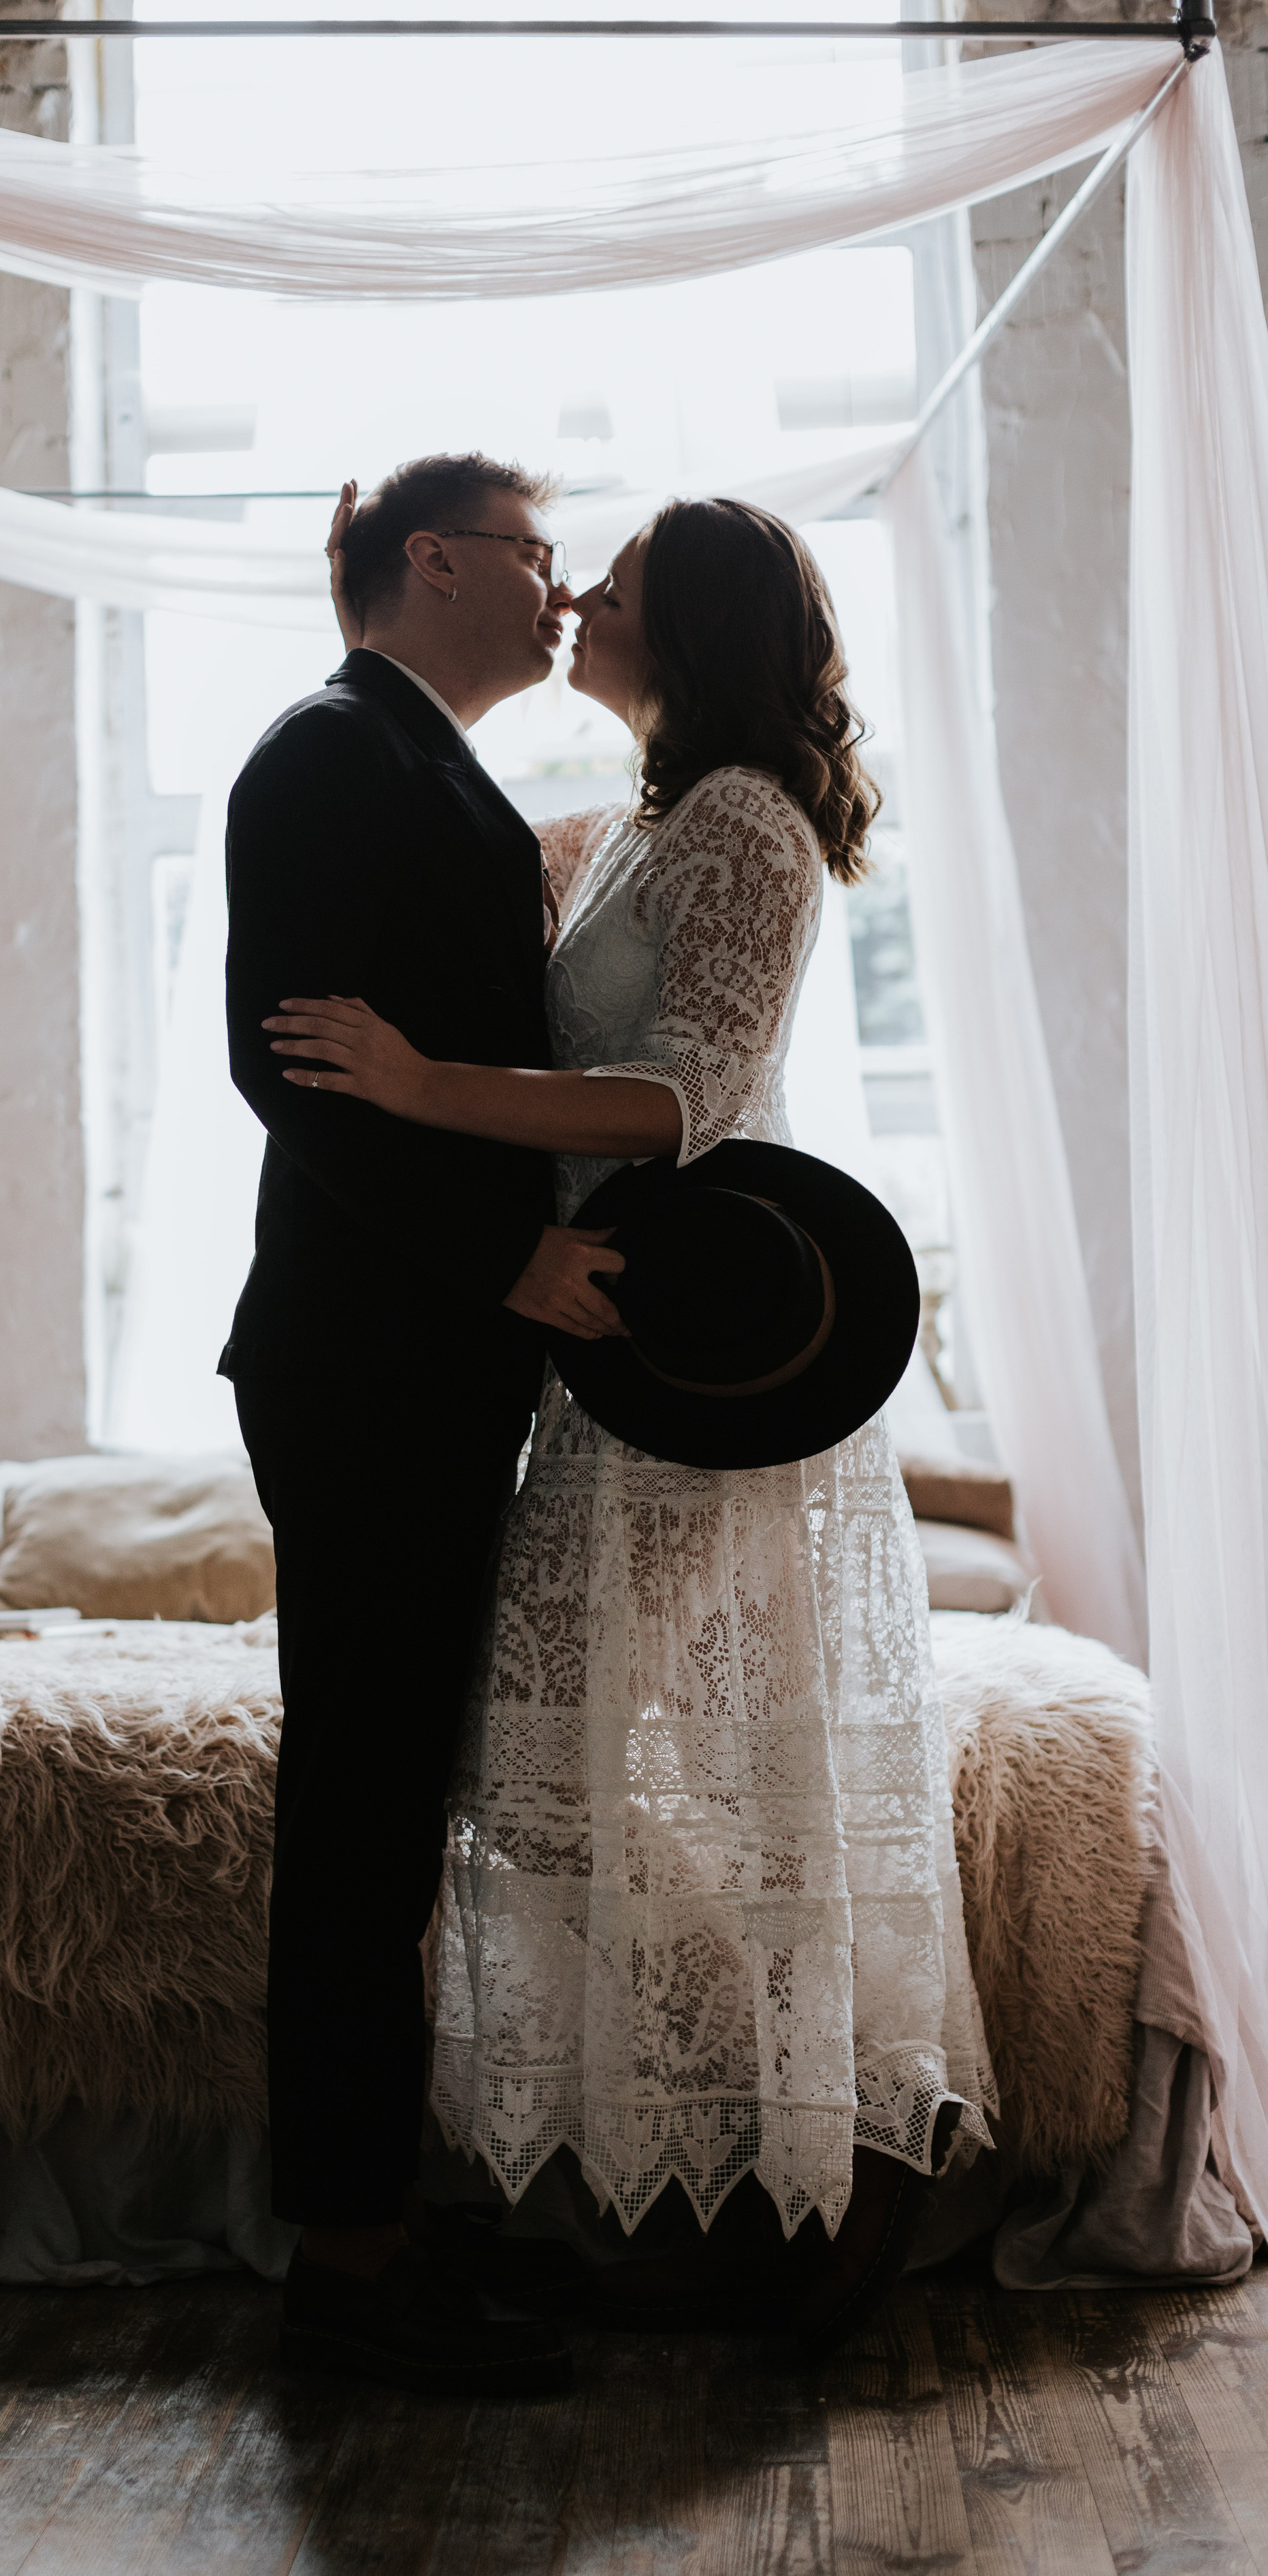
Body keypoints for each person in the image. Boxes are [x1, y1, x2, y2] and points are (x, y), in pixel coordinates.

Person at [266, 495, 996, 2346]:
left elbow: (679, 1096)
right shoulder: (647, 820)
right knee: (567, 1784)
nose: (580, 588)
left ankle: (855, 2150)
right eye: (548, 555)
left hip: (703, 1360)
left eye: (622, 580)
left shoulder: (745, 820)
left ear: (700, 627)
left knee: (632, 1784)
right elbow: (443, 902)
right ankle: (757, 2149)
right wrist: (368, 615)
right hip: (602, 1360)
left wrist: (428, 1087)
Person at [221, 453, 615, 2396]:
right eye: (541, 558)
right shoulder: (324, 755)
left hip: (419, 1367)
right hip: (373, 1362)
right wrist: (505, 1269)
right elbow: (289, 1069)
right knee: (361, 1811)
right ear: (436, 562)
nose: (561, 592)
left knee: (398, 1810)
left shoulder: (418, 767)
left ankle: (390, 2219)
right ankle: (350, 2274)